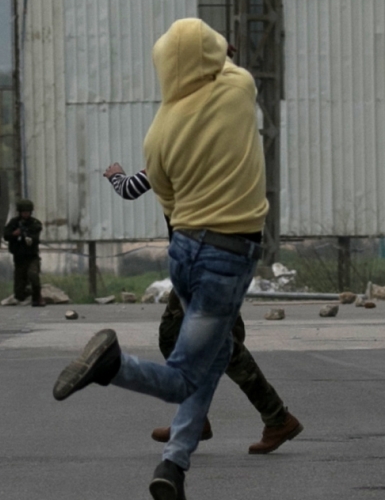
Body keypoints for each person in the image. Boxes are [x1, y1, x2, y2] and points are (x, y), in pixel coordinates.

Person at [52, 18, 271, 500]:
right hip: (228, 254)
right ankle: (112, 367)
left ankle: (173, 464)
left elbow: (169, 204)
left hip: (186, 251)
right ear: (216, 54)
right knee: (184, 376)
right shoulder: (239, 89)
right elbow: (228, 62)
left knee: (215, 357)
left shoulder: (159, 132)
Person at [104, 163, 302, 454]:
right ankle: (205, 419)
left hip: (203, 263)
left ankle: (275, 418)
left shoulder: (174, 157)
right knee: (199, 340)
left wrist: (115, 175)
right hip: (217, 260)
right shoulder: (211, 158)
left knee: (211, 345)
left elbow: (130, 188)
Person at [3, 199, 44, 307]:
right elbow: (6, 235)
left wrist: (29, 236)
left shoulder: (34, 223)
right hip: (19, 259)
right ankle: (28, 292)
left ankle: (37, 297)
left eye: (27, 212)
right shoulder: (14, 223)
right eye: (23, 212)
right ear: (20, 212)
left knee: (33, 275)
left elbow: (36, 235)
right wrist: (14, 234)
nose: (25, 214)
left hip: (32, 257)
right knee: (19, 294)